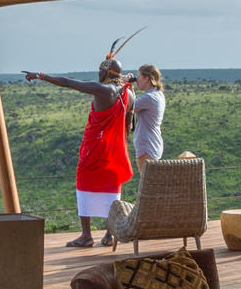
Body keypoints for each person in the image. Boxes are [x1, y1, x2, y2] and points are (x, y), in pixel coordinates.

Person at [24, 56, 133, 247]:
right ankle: (109, 234)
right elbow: (129, 123)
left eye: (101, 70)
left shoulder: (104, 90)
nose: (98, 73)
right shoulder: (129, 94)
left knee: (83, 183)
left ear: (107, 73)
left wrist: (40, 75)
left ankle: (86, 235)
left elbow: (69, 83)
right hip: (113, 149)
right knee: (111, 186)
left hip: (94, 147)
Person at [131, 64, 167, 162]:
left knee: (145, 177)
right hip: (152, 143)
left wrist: (124, 87)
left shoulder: (149, 97)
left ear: (146, 78)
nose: (137, 80)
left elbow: (127, 107)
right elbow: (133, 105)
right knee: (151, 177)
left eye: (138, 77)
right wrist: (131, 89)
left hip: (147, 145)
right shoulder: (157, 94)